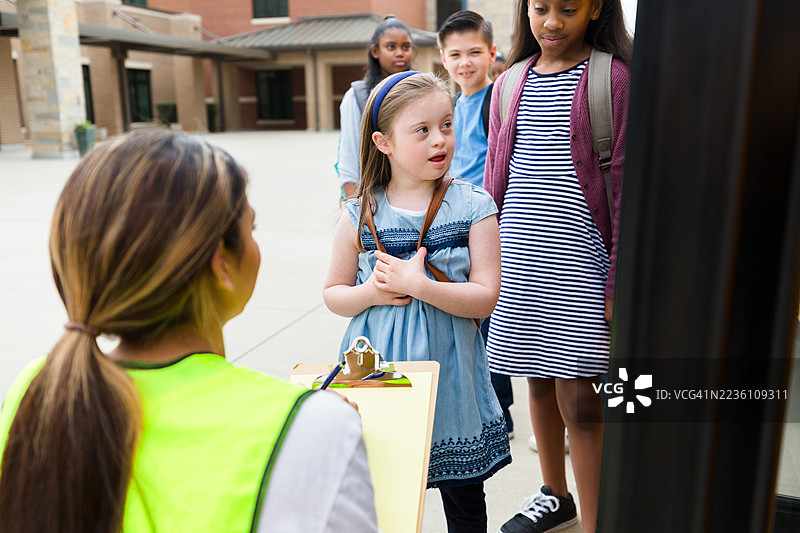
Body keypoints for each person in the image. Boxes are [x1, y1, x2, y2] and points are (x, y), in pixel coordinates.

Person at [0, 130, 378, 533]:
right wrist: (309, 418)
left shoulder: (38, 387)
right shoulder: (314, 430)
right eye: (251, 228)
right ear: (220, 264)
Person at [323, 71, 511, 533]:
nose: (439, 140)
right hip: (377, 374)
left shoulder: (474, 206)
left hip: (452, 378)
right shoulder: (359, 213)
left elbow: (486, 297)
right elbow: (334, 294)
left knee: (464, 498)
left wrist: (421, 285)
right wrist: (371, 292)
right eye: (422, 130)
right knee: (384, 491)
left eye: (446, 125)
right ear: (383, 142)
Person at [483, 0, 632, 532]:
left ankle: (595, 521)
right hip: (518, 262)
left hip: (581, 270)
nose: (550, 22)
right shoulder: (508, 83)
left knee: (583, 404)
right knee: (537, 383)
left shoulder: (610, 80)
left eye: (567, 9)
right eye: (540, 8)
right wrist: (484, 263)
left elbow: (626, 191)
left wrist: (617, 277)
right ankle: (556, 494)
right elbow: (493, 185)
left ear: (595, 10)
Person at [438, 9, 516, 440]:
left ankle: (499, 412)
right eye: (455, 54)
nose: (464, 62)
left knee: (488, 325)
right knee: (469, 324)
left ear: (491, 53)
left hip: (486, 226)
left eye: (474, 52)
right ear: (443, 59)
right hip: (455, 225)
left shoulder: (497, 100)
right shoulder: (450, 105)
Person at [336, 15, 414, 199]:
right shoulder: (356, 97)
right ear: (375, 51)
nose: (400, 53)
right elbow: (348, 159)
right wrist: (356, 212)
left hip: (416, 198)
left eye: (406, 47)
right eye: (391, 47)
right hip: (374, 199)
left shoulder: (421, 93)